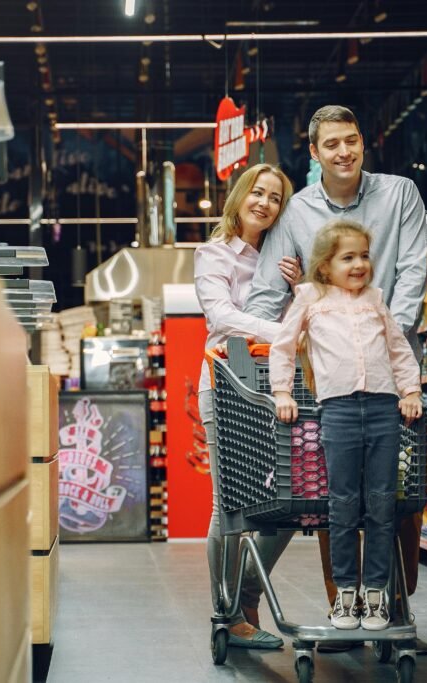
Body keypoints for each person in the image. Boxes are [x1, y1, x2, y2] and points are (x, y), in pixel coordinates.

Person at [244, 104, 427, 653]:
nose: (343, 152)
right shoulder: (297, 212)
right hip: (328, 377)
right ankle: (343, 601)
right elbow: (265, 293)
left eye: (351, 140)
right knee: (339, 496)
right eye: (332, 144)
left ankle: (396, 608)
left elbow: (414, 270)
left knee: (399, 493)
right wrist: (264, 329)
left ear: (363, 143)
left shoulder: (400, 195)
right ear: (314, 153)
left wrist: (384, 326)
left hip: (395, 370)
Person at [268, 220, 423, 632]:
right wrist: (282, 392)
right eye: (348, 257)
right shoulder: (310, 297)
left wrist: (410, 390)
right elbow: (282, 346)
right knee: (341, 504)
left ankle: (376, 594)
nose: (359, 265)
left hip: (383, 408)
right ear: (325, 266)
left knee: (381, 502)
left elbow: (398, 349)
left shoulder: (375, 299)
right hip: (335, 410)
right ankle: (344, 595)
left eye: (364, 256)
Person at [194, 162, 303, 649]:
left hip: (278, 388)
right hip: (225, 384)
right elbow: (221, 317)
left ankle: (249, 595)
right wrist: (284, 332)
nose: (264, 203)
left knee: (288, 500)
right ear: (240, 196)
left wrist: (299, 286)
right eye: (257, 193)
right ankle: (225, 611)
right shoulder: (213, 253)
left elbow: (309, 311)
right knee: (230, 505)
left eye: (275, 197)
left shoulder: (285, 259)